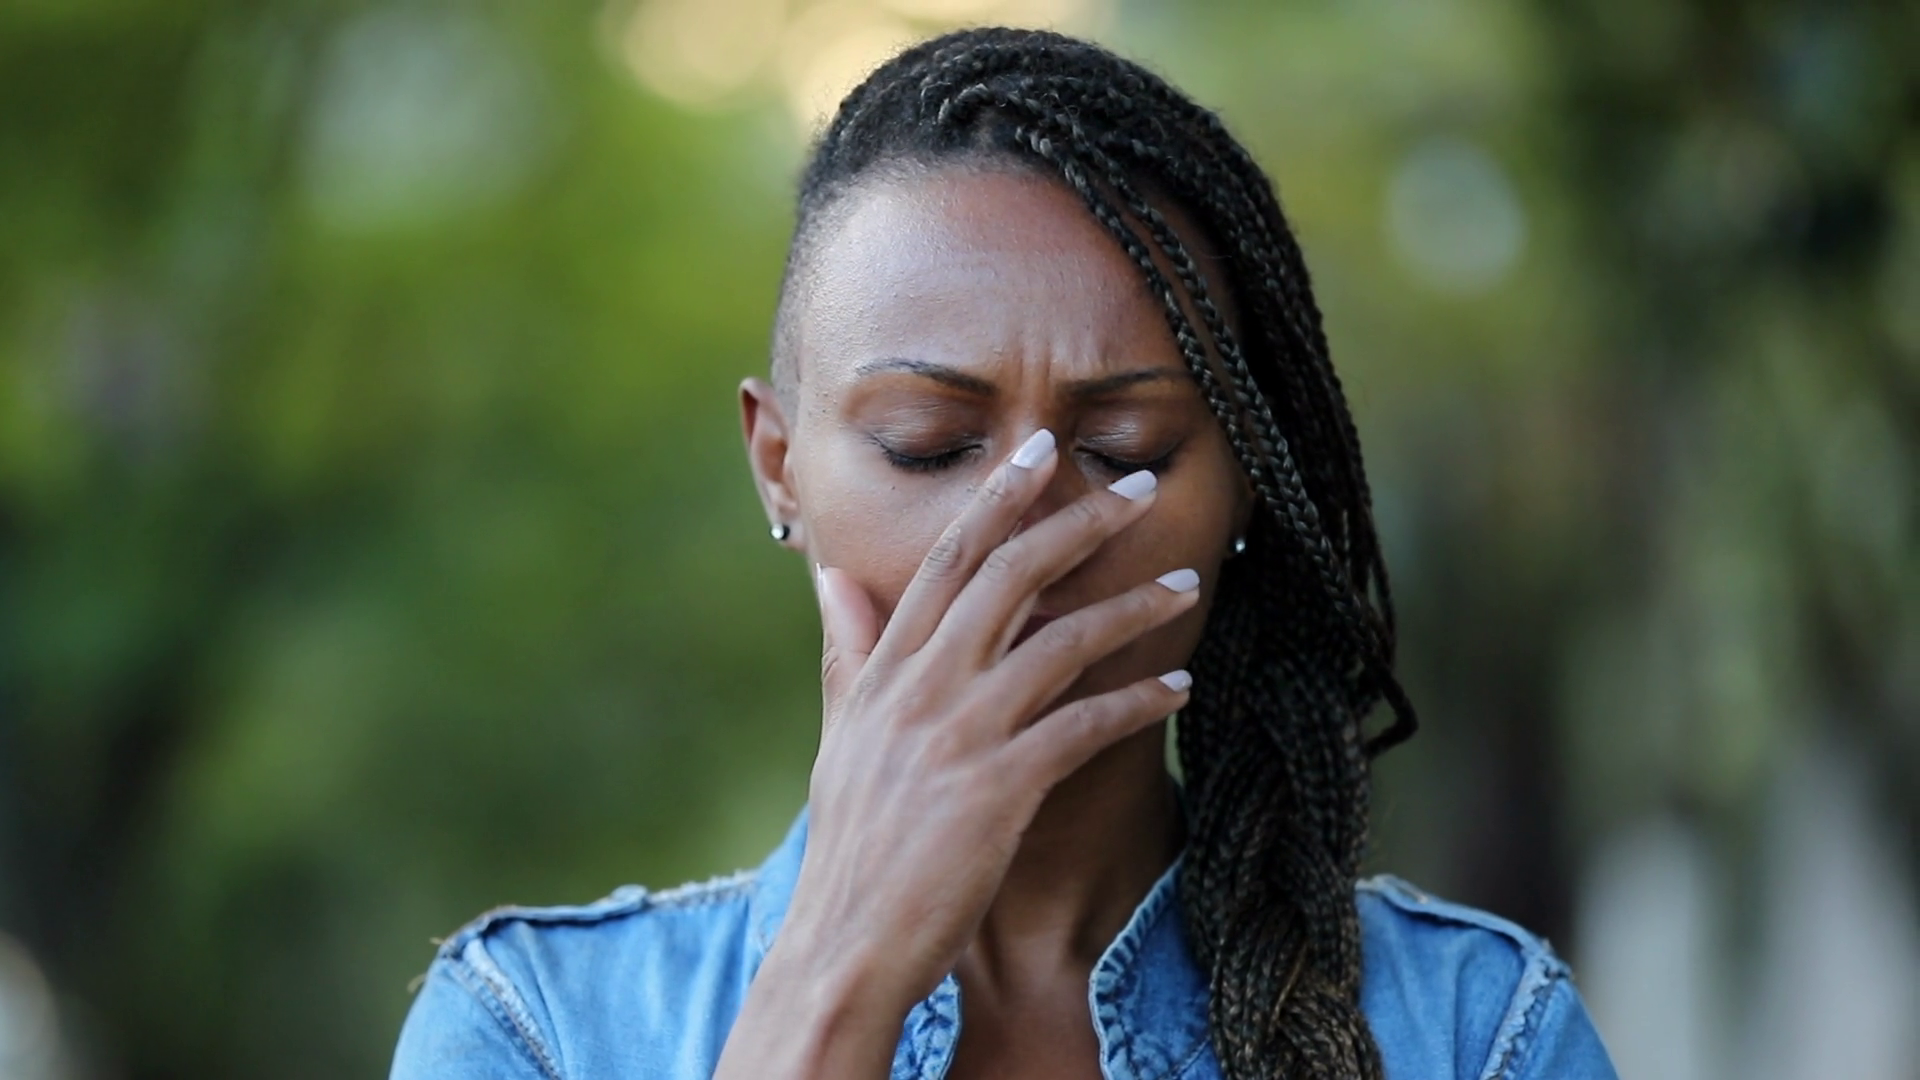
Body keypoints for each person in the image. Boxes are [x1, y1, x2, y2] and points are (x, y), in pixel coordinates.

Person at [388, 27, 1617, 1080]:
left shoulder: (1475, 1032)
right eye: (928, 443)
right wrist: (837, 975)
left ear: (1245, 483)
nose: (1022, 527)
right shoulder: (539, 1027)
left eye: (1126, 450)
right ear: (781, 467)